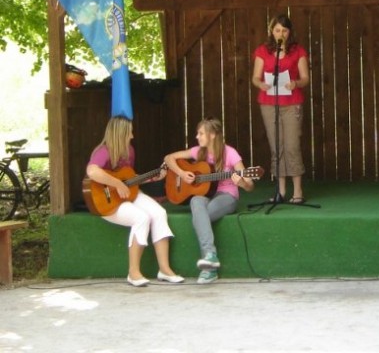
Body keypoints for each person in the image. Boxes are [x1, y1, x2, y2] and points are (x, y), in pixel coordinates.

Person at [85, 116, 183, 287]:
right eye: (129, 132)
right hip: (106, 201)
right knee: (141, 217)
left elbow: (129, 179)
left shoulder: (129, 150)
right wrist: (116, 184)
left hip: (129, 194)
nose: (132, 136)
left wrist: (152, 178)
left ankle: (164, 269)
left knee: (159, 213)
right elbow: (92, 172)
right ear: (120, 133)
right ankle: (133, 272)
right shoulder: (103, 151)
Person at [164, 117, 255, 284]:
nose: (197, 137)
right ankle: (210, 259)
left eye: (201, 133)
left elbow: (250, 185)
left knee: (200, 216)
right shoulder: (199, 151)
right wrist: (182, 173)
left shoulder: (230, 153)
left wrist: (241, 182)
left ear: (212, 135)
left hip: (227, 196)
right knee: (195, 201)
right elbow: (169, 158)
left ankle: (209, 266)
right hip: (206, 196)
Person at [252, 14, 309, 203]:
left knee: (292, 145)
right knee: (277, 146)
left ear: (289, 32)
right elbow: (255, 77)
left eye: (284, 30)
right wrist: (261, 85)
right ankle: (281, 191)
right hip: (269, 103)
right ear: (271, 31)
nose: (281, 33)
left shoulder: (298, 50)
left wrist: (296, 83)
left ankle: (298, 191)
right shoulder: (263, 50)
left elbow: (305, 78)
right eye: (277, 30)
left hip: (292, 103)